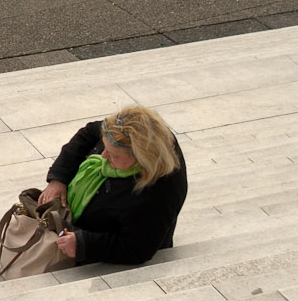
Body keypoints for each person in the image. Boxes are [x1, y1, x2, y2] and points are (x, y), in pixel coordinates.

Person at [37, 106, 187, 266]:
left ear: (142, 158)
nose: (103, 155)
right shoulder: (123, 133)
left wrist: (84, 244)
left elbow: (137, 249)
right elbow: (87, 133)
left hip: (99, 262)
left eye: (113, 154)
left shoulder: (157, 195)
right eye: (104, 147)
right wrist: (59, 178)